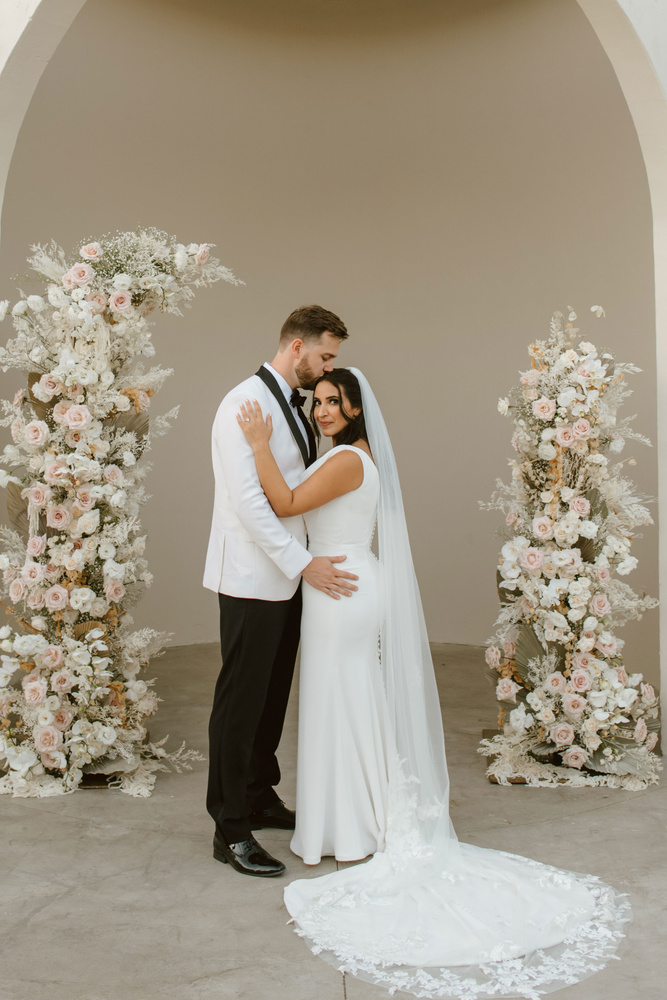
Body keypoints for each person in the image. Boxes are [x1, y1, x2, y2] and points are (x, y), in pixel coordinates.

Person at [237, 367, 631, 999]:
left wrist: (258, 444)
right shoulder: (344, 456)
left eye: (334, 402)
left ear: (357, 408)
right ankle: (352, 822)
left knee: (342, 700)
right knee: (342, 701)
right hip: (341, 582)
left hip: (343, 588)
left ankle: (359, 824)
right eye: (317, 402)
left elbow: (284, 504)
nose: (322, 410)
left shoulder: (346, 461)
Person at [203, 305, 358, 879]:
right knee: (239, 702)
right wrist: (304, 563)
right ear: (297, 348)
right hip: (251, 577)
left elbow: (294, 487)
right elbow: (248, 504)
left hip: (289, 578)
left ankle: (258, 795)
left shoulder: (292, 402)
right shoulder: (242, 402)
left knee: (271, 697)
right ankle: (230, 828)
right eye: (325, 356)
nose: (327, 370)